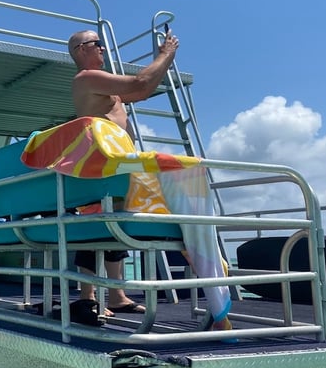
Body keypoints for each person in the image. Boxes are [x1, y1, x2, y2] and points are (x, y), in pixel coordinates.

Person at [67, 30, 232, 331]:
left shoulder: (103, 87)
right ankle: (89, 297)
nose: (103, 48)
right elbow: (140, 85)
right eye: (96, 44)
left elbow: (145, 87)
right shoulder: (86, 79)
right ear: (80, 50)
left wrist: (163, 62)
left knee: (110, 228)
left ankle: (115, 296)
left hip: (117, 173)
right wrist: (166, 54)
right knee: (107, 226)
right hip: (111, 171)